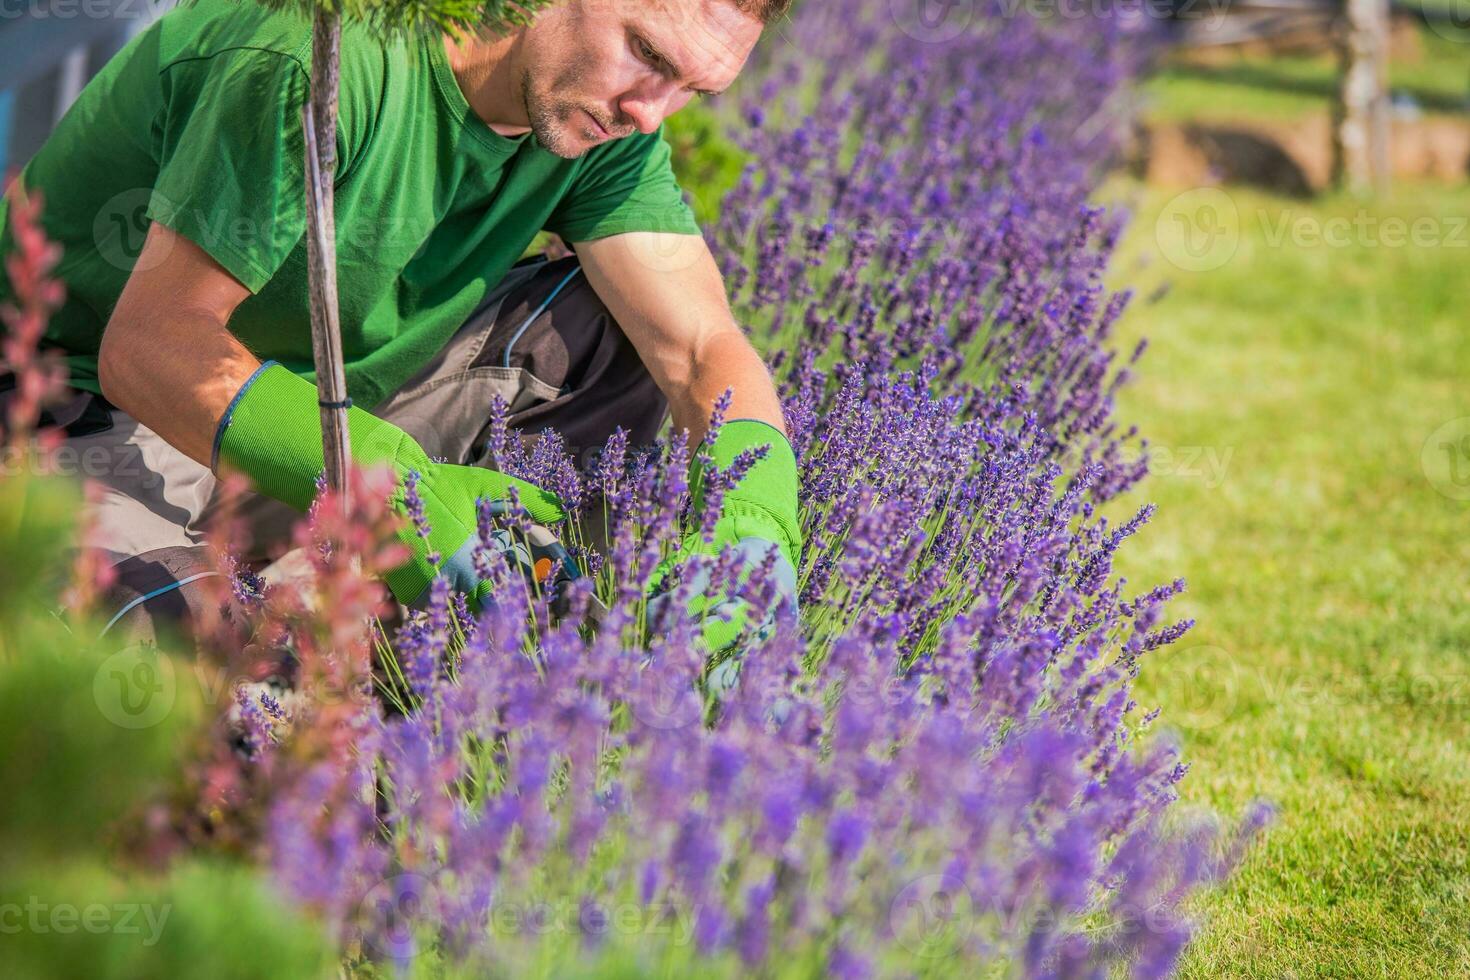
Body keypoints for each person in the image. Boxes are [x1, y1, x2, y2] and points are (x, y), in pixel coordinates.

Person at [0, 0, 800, 649]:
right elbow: (150, 349)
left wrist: (758, 522)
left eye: (693, 89)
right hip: (96, 421)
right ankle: (341, 612)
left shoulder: (599, 123)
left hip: (315, 412)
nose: (650, 112)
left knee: (616, 332)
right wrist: (391, 489)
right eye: (648, 54)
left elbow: (699, 349)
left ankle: (496, 614)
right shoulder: (314, 54)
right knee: (146, 652)